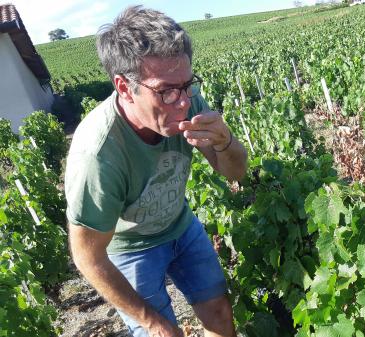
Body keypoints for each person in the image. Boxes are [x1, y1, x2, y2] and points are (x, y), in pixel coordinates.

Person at [64, 6, 247, 337]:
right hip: (130, 250)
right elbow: (87, 256)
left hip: (181, 226)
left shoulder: (189, 101)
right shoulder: (99, 154)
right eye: (165, 91)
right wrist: (152, 322)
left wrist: (226, 142)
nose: (182, 102)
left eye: (187, 84)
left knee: (220, 313)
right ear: (123, 87)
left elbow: (234, 172)